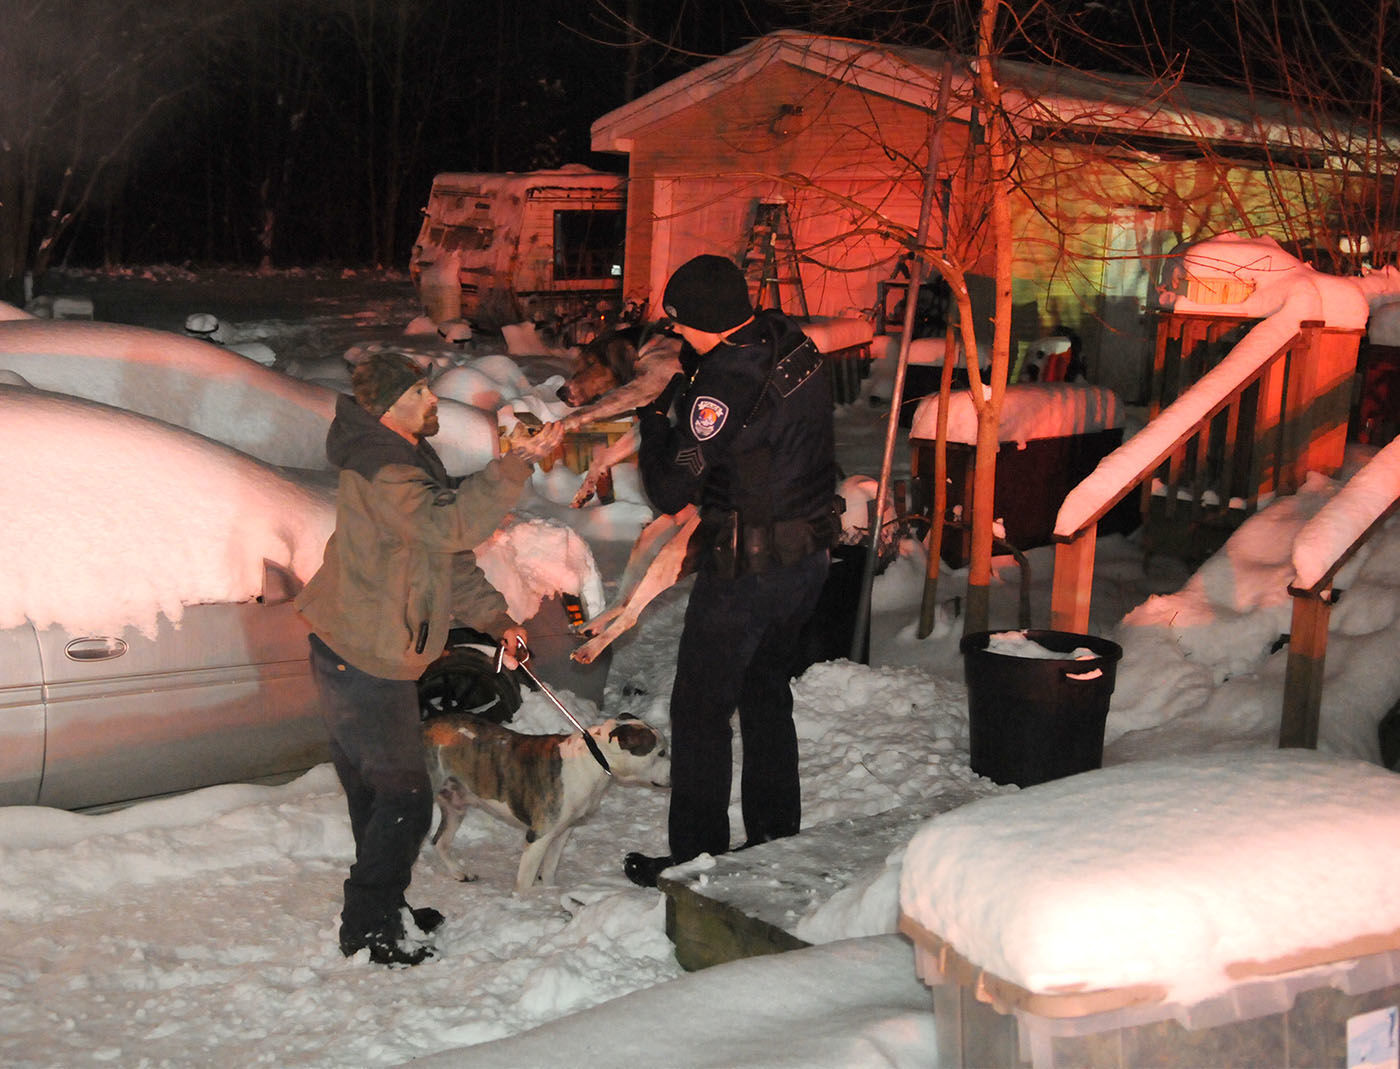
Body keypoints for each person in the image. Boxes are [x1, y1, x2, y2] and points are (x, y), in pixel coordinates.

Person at [296, 349, 562, 966]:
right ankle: (368, 929)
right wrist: (515, 462)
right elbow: (452, 527)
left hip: (367, 650)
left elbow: (444, 555)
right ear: (391, 407)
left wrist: (497, 619)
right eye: (420, 392)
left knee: (377, 795)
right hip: (361, 657)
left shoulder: (408, 458)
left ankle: (381, 910)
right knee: (405, 799)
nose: (433, 400)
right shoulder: (386, 471)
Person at [623, 254, 838, 888]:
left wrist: (657, 420)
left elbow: (669, 488)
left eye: (681, 325)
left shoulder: (718, 388)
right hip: (807, 560)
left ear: (706, 322)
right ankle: (774, 833)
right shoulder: (787, 341)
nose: (676, 336)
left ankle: (695, 856)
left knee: (700, 710)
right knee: (766, 693)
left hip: (748, 569)